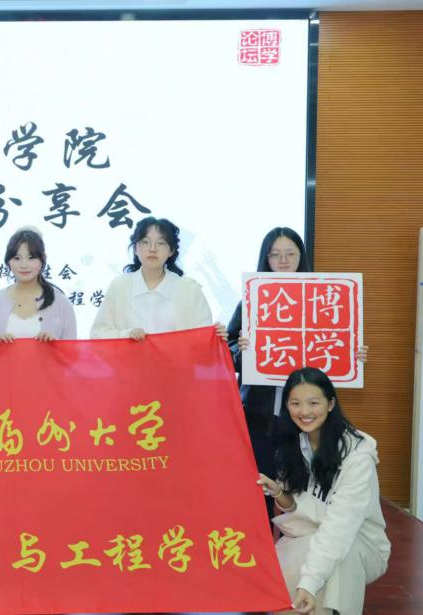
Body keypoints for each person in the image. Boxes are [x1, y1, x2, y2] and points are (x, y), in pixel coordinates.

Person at [229, 227, 368, 519]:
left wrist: (352, 355)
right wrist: (241, 351)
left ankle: (303, 541)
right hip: (260, 413)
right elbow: (227, 353)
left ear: (300, 257)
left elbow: (336, 344)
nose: (283, 261)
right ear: (265, 259)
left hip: (306, 416)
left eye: (290, 254)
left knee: (305, 488)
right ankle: (263, 544)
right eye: (275, 254)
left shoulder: (323, 299)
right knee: (259, 486)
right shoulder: (251, 299)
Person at [257, 367, 389, 615]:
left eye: (313, 403)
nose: (304, 412)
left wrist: (309, 582)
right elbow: (299, 507)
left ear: (330, 404)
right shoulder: (293, 444)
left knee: (337, 561)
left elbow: (340, 526)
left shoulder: (357, 455)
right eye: (295, 403)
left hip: (358, 542)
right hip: (305, 534)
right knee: (285, 574)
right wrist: (278, 493)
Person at [89, 216, 226, 340]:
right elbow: (97, 334)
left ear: (171, 251)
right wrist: (127, 335)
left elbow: (203, 339)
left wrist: (216, 336)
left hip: (176, 361)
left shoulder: (189, 289)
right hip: (129, 360)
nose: (152, 249)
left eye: (161, 243)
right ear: (135, 249)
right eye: (145, 242)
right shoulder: (120, 286)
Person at [0, 227, 77, 342]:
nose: (24, 265)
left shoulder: (60, 303)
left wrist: (55, 345)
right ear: (8, 261)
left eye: (31, 258)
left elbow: (71, 350)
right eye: (17, 258)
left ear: (43, 259)